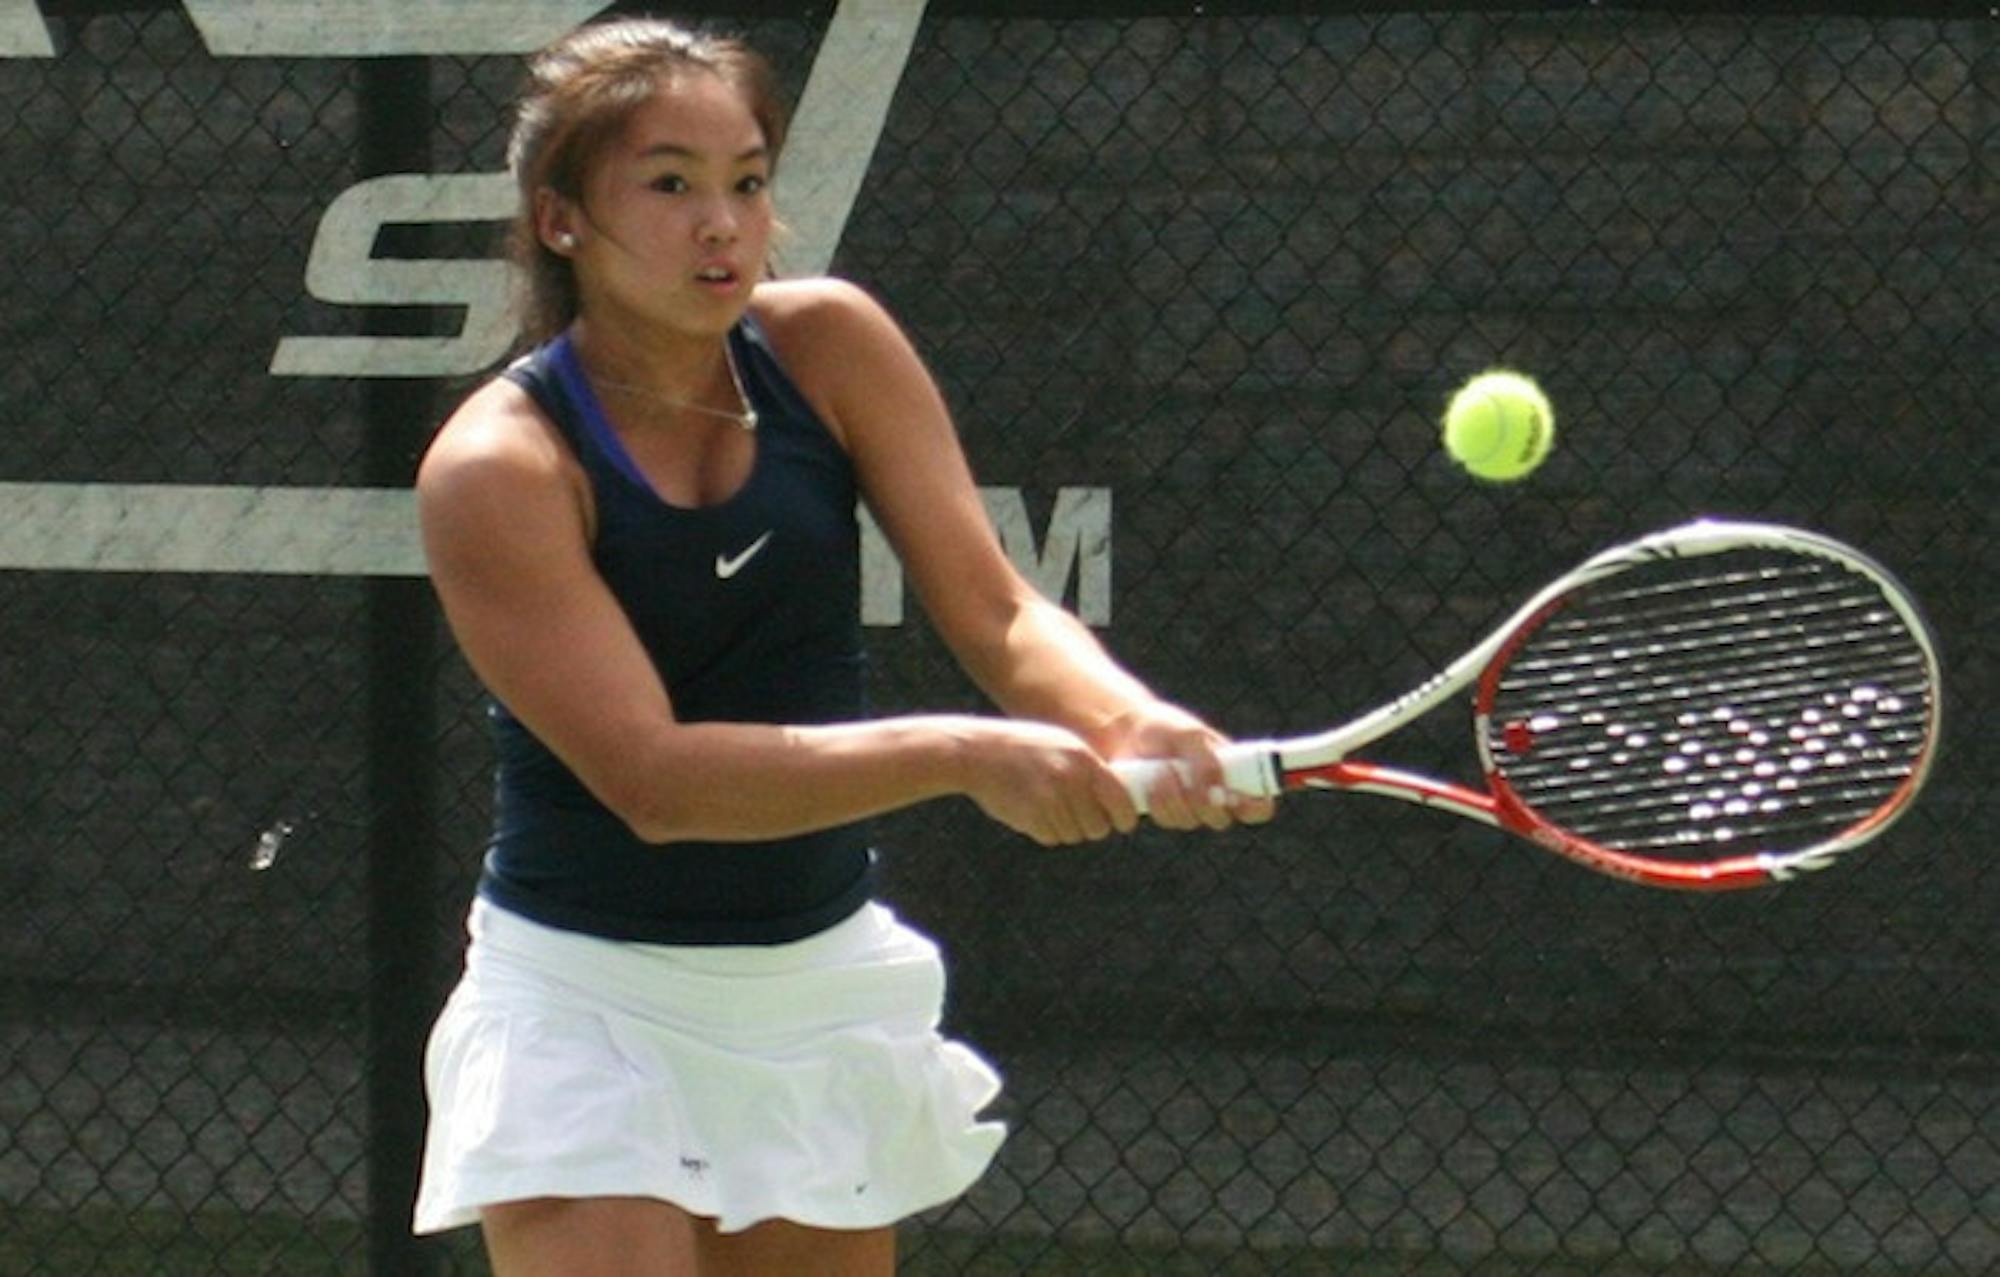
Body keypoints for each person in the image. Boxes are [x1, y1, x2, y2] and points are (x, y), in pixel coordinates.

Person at [410, 15, 1271, 1276]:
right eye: (668, 184)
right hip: (586, 1004)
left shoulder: (830, 346)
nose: (721, 223)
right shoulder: (499, 466)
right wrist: (963, 752)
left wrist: (1123, 717)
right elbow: (653, 780)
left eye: (746, 182)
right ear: (559, 221)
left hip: (809, 993)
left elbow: (997, 609)